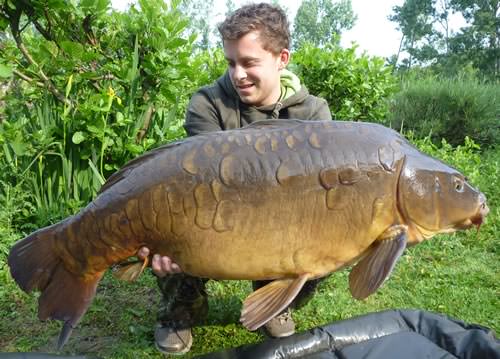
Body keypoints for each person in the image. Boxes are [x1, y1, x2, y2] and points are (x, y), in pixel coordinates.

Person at [138, 3, 332, 355]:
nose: (237, 74)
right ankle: (181, 310)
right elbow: (203, 181)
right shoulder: (207, 104)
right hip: (216, 218)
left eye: (249, 62)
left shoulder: (314, 113)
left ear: (281, 58)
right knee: (176, 225)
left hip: (284, 222)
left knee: (329, 235)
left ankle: (275, 299)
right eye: (231, 63)